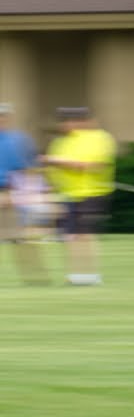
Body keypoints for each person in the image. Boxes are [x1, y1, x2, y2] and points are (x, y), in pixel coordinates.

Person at [42, 107, 116, 285]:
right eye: (64, 120)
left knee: (85, 234)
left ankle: (91, 274)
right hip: (69, 194)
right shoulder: (62, 141)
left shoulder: (100, 138)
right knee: (71, 236)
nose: (67, 124)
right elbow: (52, 168)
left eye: (72, 120)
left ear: (83, 121)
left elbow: (93, 164)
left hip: (92, 193)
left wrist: (58, 161)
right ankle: (76, 274)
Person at [0, 104, 47, 283]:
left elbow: (30, 167)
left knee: (21, 236)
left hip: (14, 191)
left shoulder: (18, 139)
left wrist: (19, 193)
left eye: (3, 116)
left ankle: (35, 275)